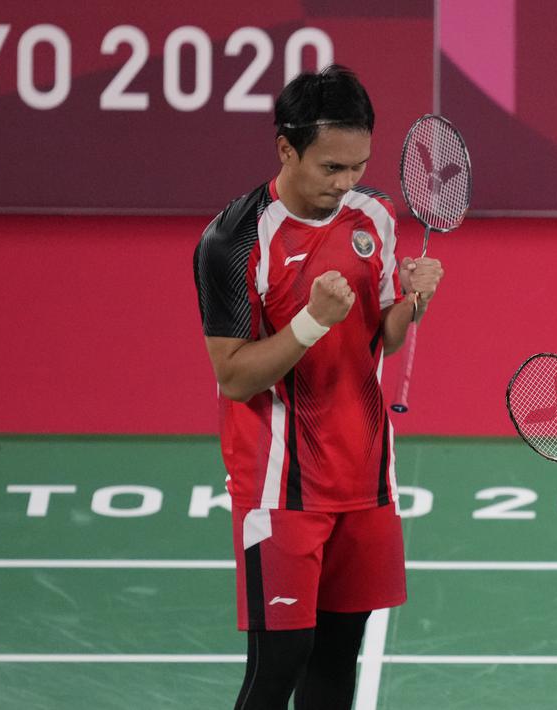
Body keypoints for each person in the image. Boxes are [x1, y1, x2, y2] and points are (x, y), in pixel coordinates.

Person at [192, 65, 444, 709]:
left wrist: (412, 301)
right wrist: (310, 321)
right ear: (286, 148)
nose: (346, 183)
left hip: (365, 476)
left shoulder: (377, 214)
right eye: (331, 167)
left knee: (337, 664)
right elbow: (233, 374)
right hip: (280, 486)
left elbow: (381, 339)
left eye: (358, 165)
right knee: (278, 667)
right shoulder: (234, 240)